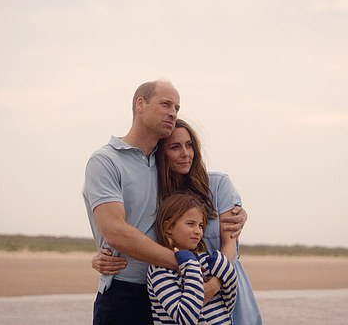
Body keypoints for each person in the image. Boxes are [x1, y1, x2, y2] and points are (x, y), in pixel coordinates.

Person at [83, 81, 247, 325]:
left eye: (177, 108)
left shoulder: (163, 168)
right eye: (165, 104)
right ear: (140, 104)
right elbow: (115, 231)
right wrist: (182, 263)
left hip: (169, 294)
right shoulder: (106, 161)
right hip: (125, 292)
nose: (173, 112)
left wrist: (239, 212)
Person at [147, 193, 237, 324]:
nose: (198, 231)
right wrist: (190, 266)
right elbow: (185, 318)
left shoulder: (205, 260)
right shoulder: (159, 269)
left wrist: (225, 269)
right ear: (168, 227)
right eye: (190, 224)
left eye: (200, 225)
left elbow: (228, 303)